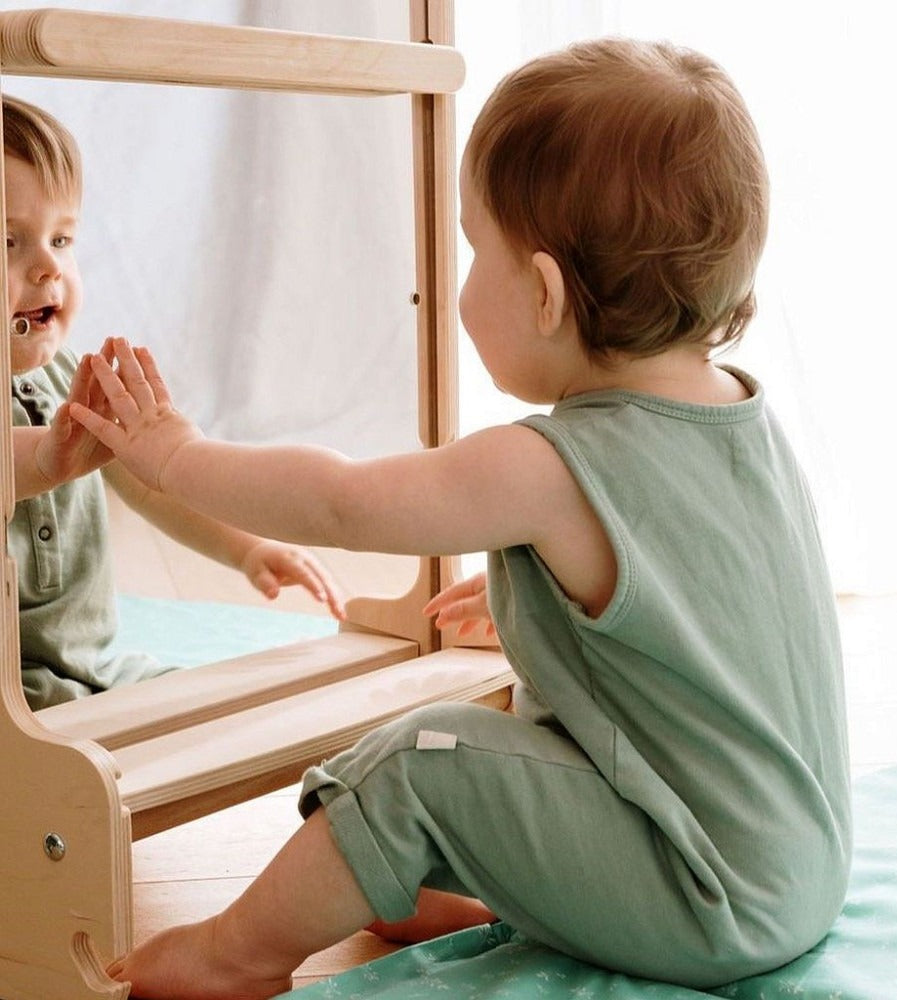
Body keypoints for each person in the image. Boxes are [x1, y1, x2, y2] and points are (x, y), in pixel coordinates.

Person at [71, 37, 851, 999]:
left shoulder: (552, 462)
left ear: (544, 291)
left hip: (703, 896)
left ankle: (234, 953)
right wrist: (558, 604)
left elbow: (341, 501)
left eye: (472, 246)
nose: (458, 279)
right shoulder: (741, 413)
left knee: (422, 756)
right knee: (484, 738)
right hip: (795, 867)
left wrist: (177, 457)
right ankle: (454, 878)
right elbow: (719, 599)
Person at [4, 93, 345, 710]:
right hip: (11, 694)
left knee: (224, 713)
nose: (48, 267)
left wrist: (247, 547)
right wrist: (48, 458)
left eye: (62, 238)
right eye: (10, 243)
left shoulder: (65, 381)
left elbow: (150, 484)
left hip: (97, 668)